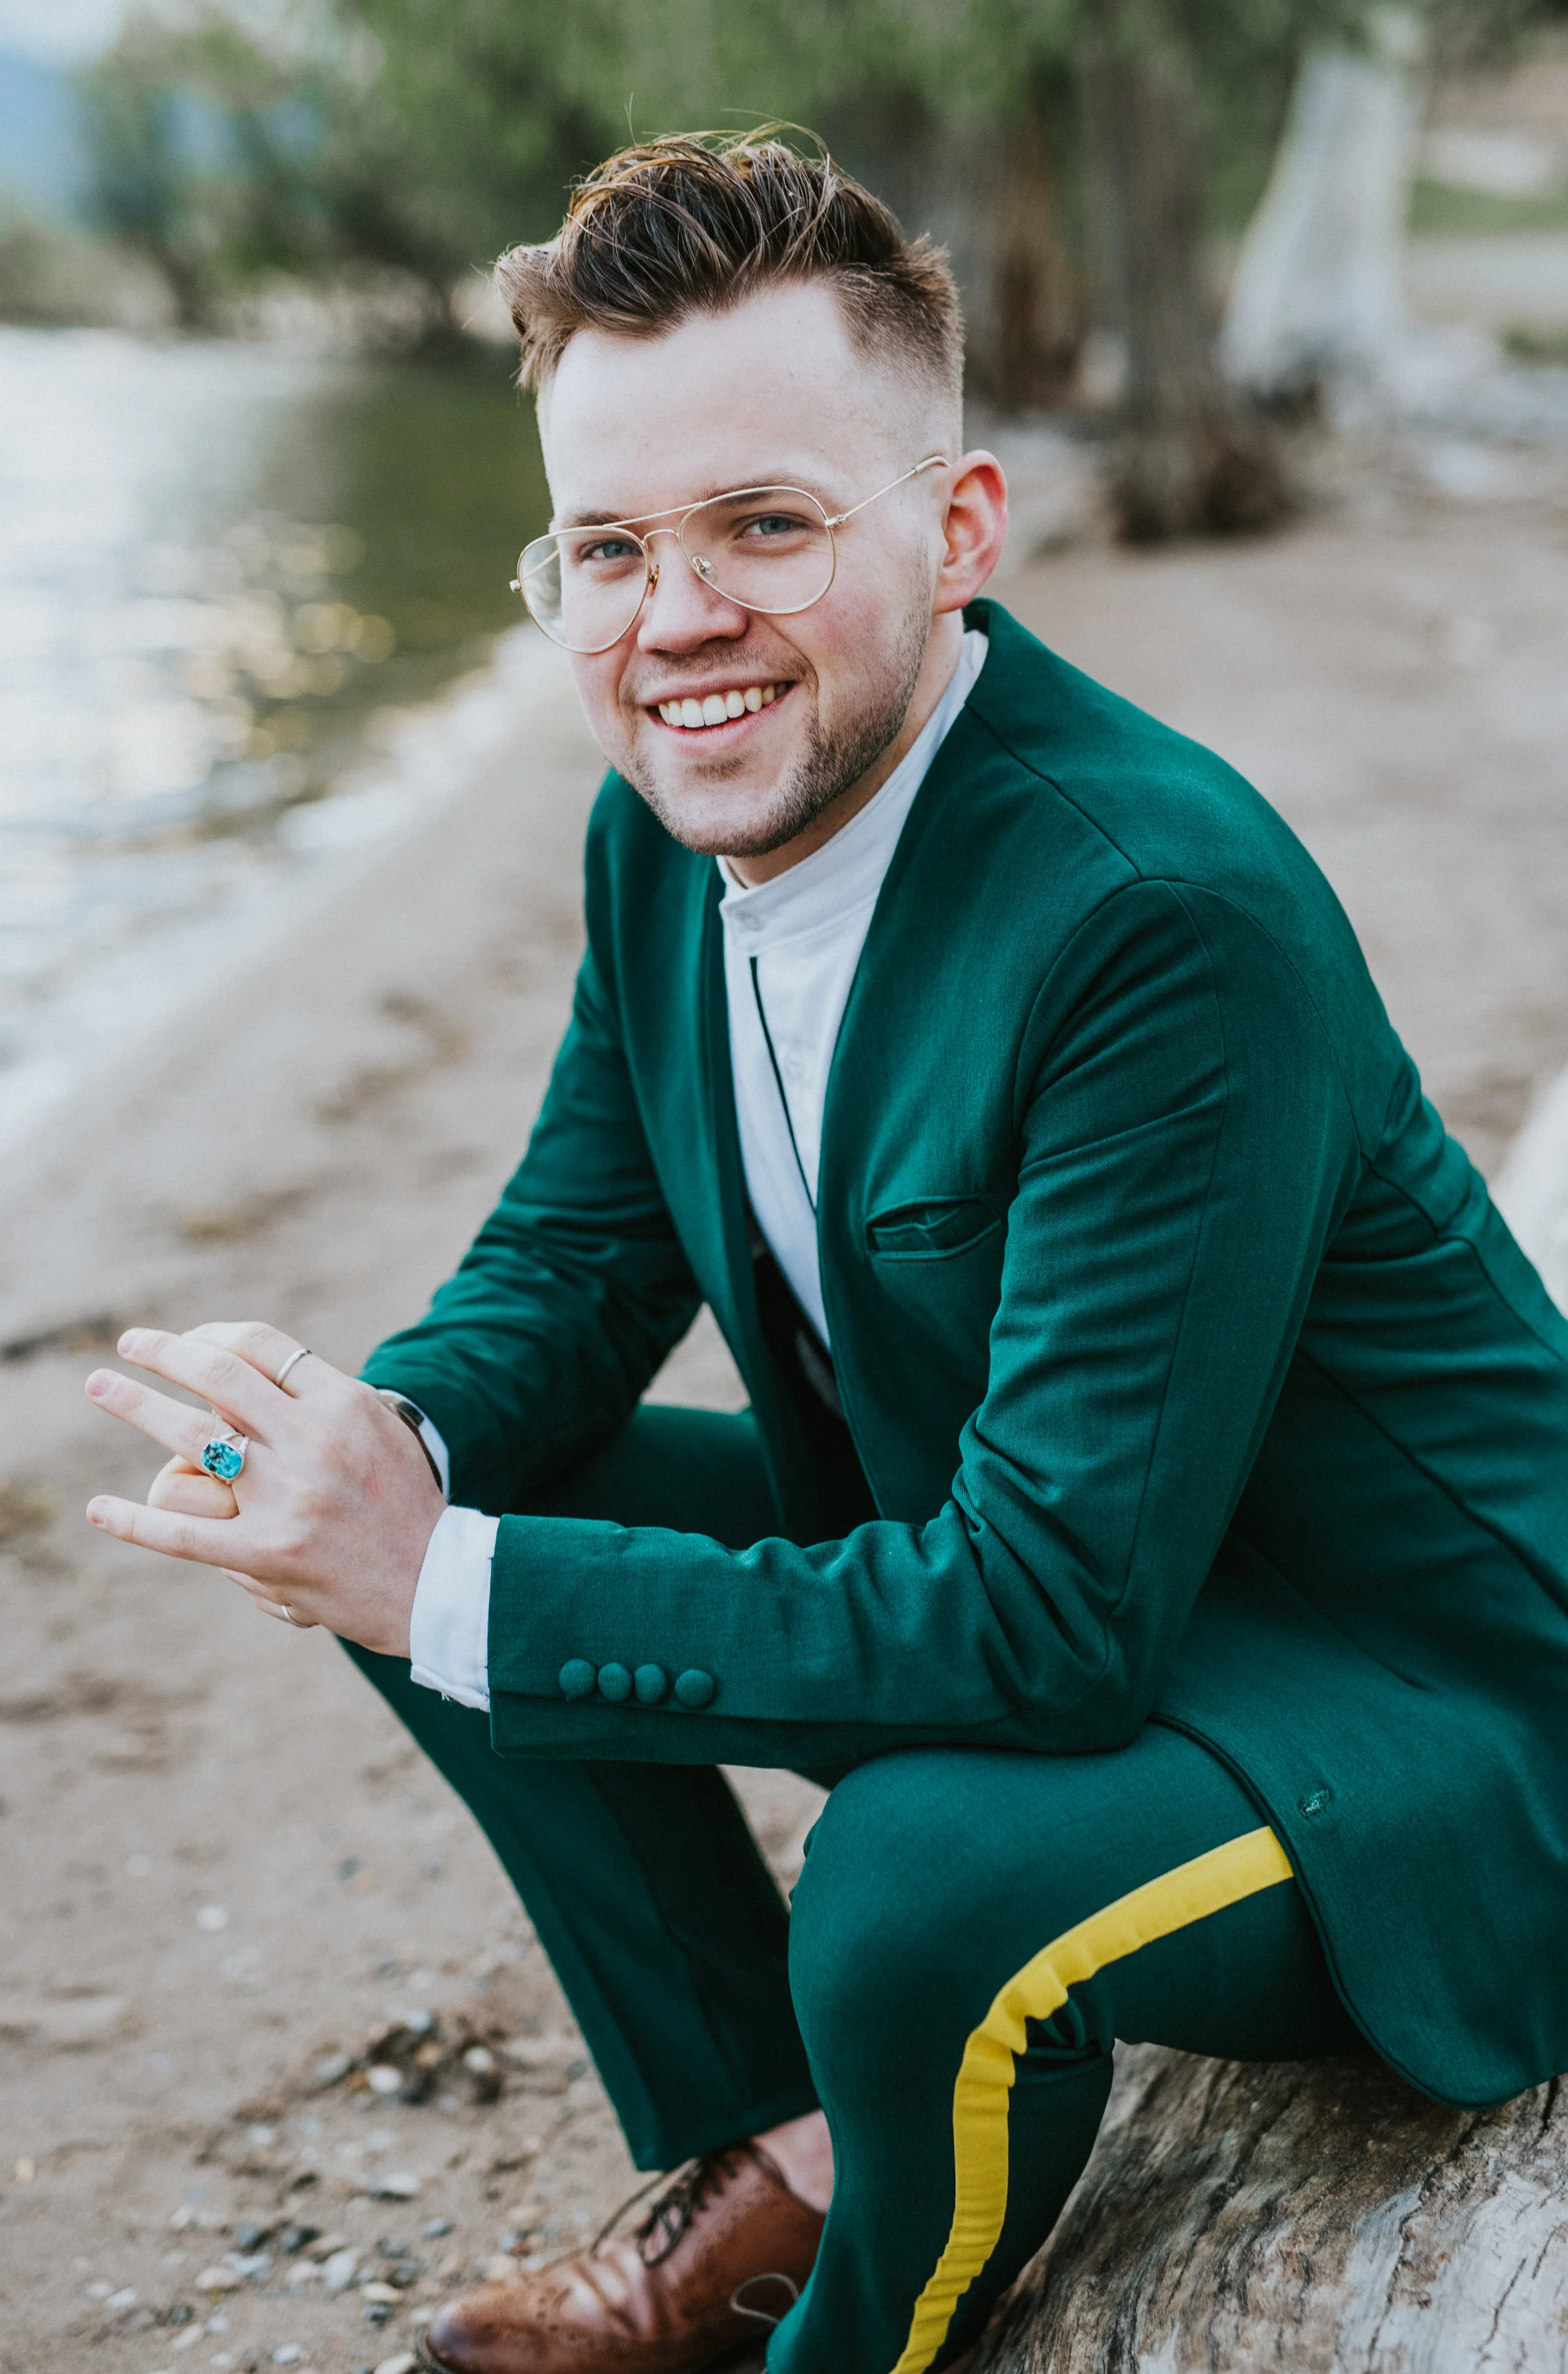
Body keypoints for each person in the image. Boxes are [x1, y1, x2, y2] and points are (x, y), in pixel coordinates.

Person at [83, 133, 1568, 2374]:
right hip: (1093, 1557)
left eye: (762, 526)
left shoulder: (1157, 916)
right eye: (608, 549)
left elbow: (1050, 1629)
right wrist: (370, 1457)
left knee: (908, 1891)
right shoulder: (666, 826)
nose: (672, 619)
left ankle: (861, 2329)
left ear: (956, 531)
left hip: (1429, 1712)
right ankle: (775, 2151)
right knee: (420, 1498)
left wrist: (448, 1585)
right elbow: (576, 1258)